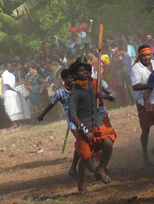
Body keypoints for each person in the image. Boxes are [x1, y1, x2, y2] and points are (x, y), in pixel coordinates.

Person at [68, 61, 116, 194]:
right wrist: (84, 130)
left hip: (97, 123)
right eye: (80, 70)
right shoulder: (74, 93)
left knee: (108, 142)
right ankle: (82, 183)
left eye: (85, 70)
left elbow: (112, 96)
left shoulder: (93, 84)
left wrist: (104, 95)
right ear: (74, 75)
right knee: (84, 158)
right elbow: (72, 115)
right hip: (84, 128)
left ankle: (101, 168)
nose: (84, 72)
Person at [37, 68, 87, 178]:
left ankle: (74, 168)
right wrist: (42, 115)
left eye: (73, 77)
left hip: (84, 118)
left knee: (82, 143)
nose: (73, 80)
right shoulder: (60, 92)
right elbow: (51, 105)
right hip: (73, 123)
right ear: (64, 80)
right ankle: (90, 169)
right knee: (82, 142)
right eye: (70, 78)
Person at [130, 45, 154, 165]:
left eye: (148, 55)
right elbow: (135, 86)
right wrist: (151, 84)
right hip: (144, 103)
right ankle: (145, 154)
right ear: (139, 56)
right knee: (145, 130)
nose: (146, 57)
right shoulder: (135, 68)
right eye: (143, 55)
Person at [1, 63, 25, 128]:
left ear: (2, 69)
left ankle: (15, 124)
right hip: (12, 93)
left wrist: (13, 90)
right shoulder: (11, 75)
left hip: (8, 93)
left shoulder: (4, 75)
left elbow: (7, 84)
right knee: (14, 109)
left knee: (9, 109)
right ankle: (18, 123)